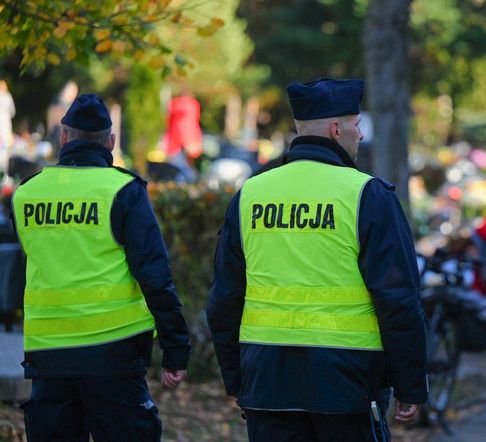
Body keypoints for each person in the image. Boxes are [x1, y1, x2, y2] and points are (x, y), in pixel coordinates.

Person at [207, 78, 428, 442]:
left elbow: (224, 299)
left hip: (267, 383)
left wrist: (236, 379)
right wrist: (410, 385)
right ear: (336, 128)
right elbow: (398, 300)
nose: (360, 134)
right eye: (356, 125)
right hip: (347, 385)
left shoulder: (251, 195)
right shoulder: (366, 195)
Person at [11, 94, 190, 441]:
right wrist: (175, 348)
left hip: (48, 357)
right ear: (110, 142)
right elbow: (155, 276)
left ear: (63, 137)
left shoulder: (25, 194)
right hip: (113, 356)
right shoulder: (123, 190)